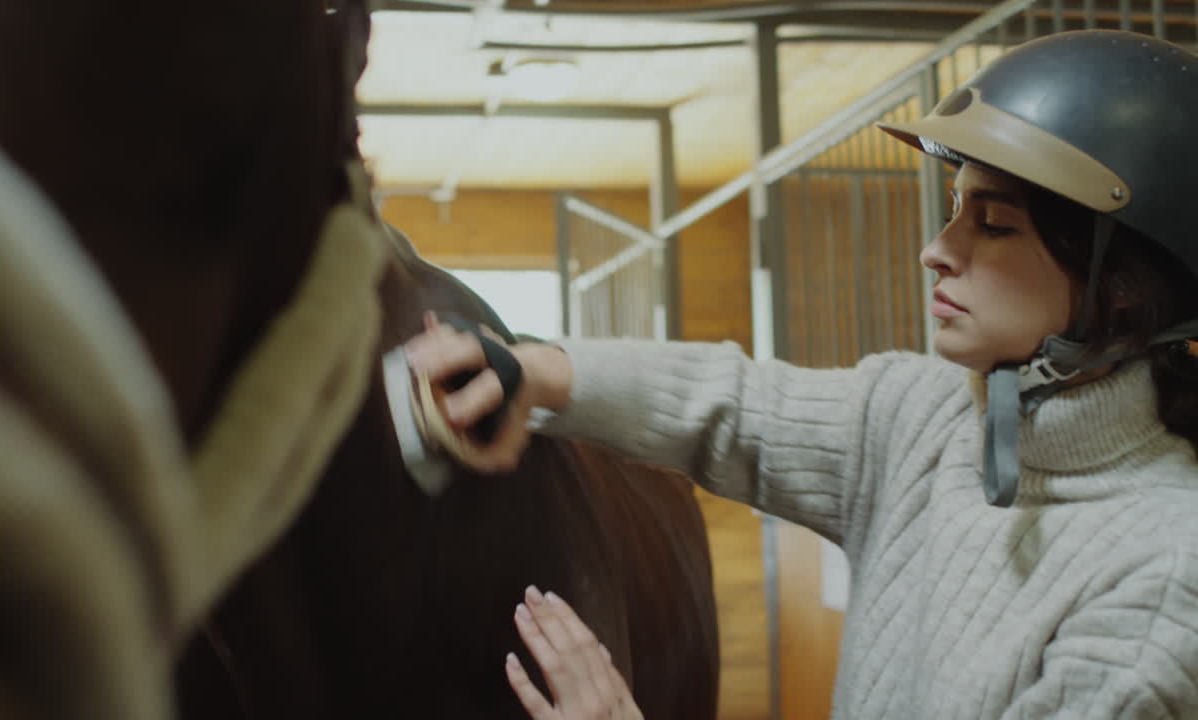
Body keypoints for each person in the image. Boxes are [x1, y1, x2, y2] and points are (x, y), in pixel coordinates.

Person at [406, 29, 1198, 719]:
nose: (937, 248)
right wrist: (537, 373)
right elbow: (737, 406)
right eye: (955, 209)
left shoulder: (1163, 580)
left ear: (1120, 286)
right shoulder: (920, 418)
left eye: (993, 225)